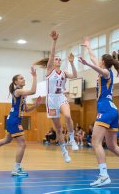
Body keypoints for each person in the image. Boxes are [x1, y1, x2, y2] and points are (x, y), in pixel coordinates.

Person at [79, 36, 119, 187]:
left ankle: (104, 175)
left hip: (106, 109)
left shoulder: (107, 73)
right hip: (113, 109)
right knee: (112, 146)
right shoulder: (104, 70)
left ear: (103, 62)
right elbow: (94, 57)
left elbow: (96, 65)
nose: (98, 61)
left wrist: (87, 63)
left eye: (100, 60)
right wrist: (88, 46)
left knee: (95, 142)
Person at [0, 67, 42, 176]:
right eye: (21, 78)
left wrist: (35, 105)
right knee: (22, 144)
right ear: (15, 82)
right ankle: (16, 169)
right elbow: (33, 91)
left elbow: (26, 109)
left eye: (24, 78)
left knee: (6, 140)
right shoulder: (18, 91)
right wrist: (34, 76)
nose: (23, 80)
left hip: (13, 119)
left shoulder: (22, 95)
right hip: (14, 120)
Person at [44, 30, 78, 163]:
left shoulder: (64, 72)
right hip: (51, 100)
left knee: (68, 116)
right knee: (58, 128)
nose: (57, 60)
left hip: (61, 97)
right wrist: (54, 41)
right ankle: (64, 152)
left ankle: (72, 139)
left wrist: (72, 62)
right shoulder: (49, 70)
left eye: (59, 59)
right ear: (52, 62)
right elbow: (52, 54)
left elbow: (75, 75)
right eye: (56, 59)